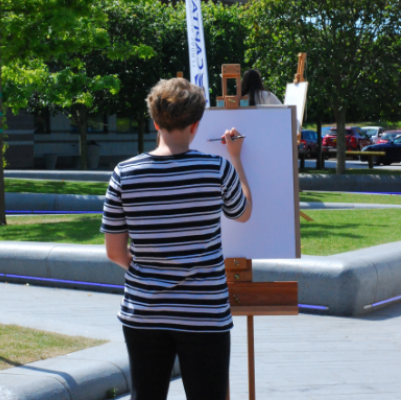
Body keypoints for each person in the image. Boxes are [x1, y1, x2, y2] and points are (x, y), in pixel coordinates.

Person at [101, 78, 252, 400]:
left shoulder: (124, 173)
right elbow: (243, 212)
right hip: (204, 312)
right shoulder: (216, 169)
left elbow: (114, 252)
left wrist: (150, 271)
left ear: (155, 122)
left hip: (144, 311)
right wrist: (236, 158)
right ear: (195, 125)